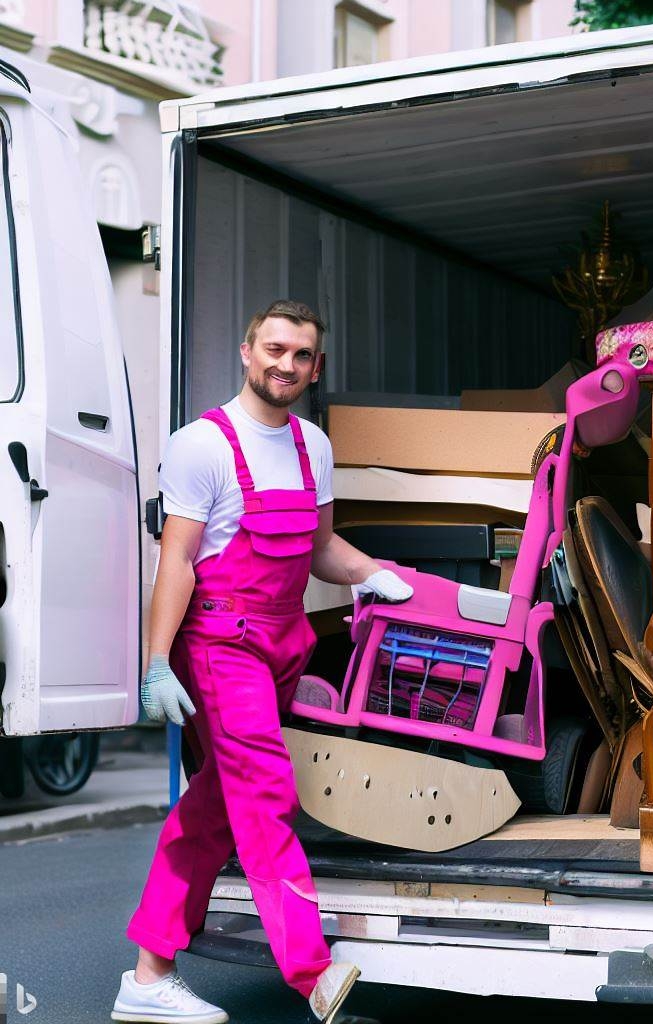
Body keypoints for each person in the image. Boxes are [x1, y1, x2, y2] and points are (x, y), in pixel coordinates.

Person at [112, 300, 412, 1024]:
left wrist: (372, 574)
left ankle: (148, 976)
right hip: (220, 648)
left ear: (316, 367)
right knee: (268, 791)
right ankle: (311, 971)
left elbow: (320, 548)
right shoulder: (202, 445)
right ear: (246, 352)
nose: (286, 364)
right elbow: (177, 560)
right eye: (274, 348)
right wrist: (157, 663)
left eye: (301, 355)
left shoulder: (313, 445)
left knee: (218, 804)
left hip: (284, 641)